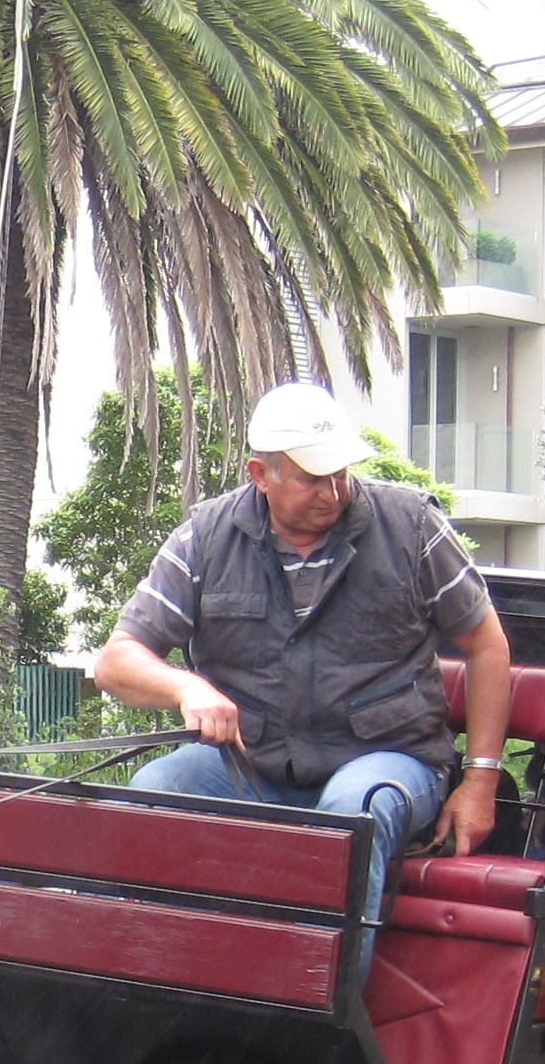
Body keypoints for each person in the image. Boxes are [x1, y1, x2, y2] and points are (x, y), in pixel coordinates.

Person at [89, 381, 514, 924]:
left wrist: (480, 782)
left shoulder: (413, 526)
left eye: (340, 473)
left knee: (349, 816)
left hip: (387, 762)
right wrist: (186, 686)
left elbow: (487, 646)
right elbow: (116, 661)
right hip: (250, 768)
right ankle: (160, 982)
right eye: (313, 478)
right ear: (260, 475)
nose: (333, 492)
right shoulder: (204, 536)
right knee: (154, 792)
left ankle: (313, 1003)